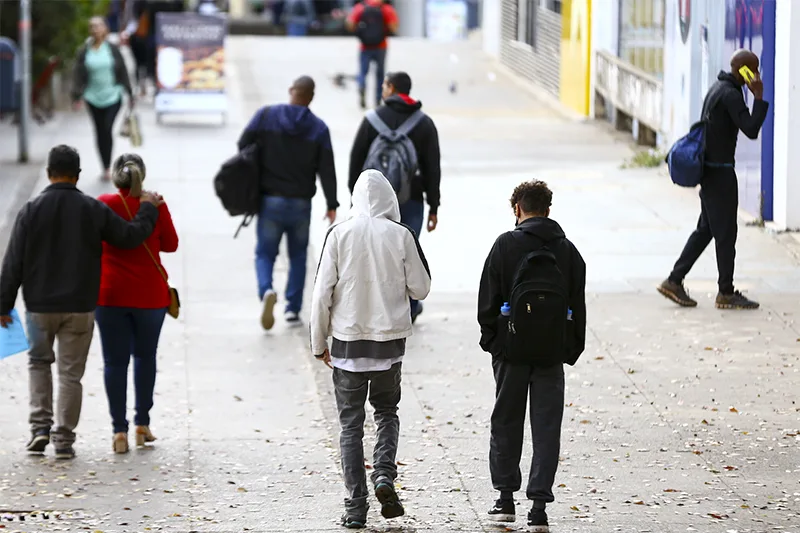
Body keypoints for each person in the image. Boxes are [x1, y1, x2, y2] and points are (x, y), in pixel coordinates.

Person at [0, 145, 163, 461]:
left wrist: (3, 305)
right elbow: (129, 237)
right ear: (77, 175)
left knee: (38, 364)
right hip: (80, 307)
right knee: (70, 375)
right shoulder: (92, 208)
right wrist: (147, 209)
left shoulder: (31, 210)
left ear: (49, 173)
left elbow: (13, 262)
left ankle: (39, 430)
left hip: (39, 308)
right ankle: (64, 440)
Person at [310, 169, 431, 530]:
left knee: (350, 426)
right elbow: (421, 289)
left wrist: (319, 343)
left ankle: (355, 506)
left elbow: (321, 294)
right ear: (390, 199)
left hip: (347, 346)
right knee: (387, 413)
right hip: (388, 347)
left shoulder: (338, 234)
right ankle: (383, 476)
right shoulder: (402, 235)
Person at [477, 180, 586, 533]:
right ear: (548, 210)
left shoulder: (504, 246)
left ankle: (505, 500)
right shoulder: (568, 251)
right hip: (551, 354)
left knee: (506, 421)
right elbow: (578, 307)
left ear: (517, 210)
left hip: (511, 352)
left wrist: (495, 344)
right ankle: (538, 506)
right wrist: (568, 351)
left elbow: (487, 304)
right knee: (546, 426)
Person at [659, 49, 769, 310]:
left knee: (707, 229)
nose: (755, 75)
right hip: (719, 174)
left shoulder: (718, 88)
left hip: (711, 171)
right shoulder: (731, 95)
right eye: (753, 69)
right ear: (743, 69)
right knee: (726, 233)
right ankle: (726, 292)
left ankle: (674, 280)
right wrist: (759, 98)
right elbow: (751, 129)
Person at [237, 76, 339, 330]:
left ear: (291, 90)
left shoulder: (266, 116)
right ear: (311, 97)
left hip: (269, 200)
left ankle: (267, 290)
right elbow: (327, 168)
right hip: (300, 204)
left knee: (265, 252)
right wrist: (332, 203)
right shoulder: (318, 128)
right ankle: (292, 309)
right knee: (298, 256)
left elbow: (242, 145)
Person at [95, 154, 179, 454]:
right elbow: (171, 244)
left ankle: (119, 432)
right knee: (145, 358)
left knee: (114, 363)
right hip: (149, 297)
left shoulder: (104, 203)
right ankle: (142, 424)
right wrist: (156, 210)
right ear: (142, 176)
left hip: (110, 295)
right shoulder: (155, 204)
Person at [349, 71, 440, 323]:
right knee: (408, 254)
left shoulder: (371, 120)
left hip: (372, 203)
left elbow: (355, 160)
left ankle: (378, 309)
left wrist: (353, 198)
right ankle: (409, 308)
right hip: (410, 200)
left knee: (374, 254)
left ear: (390, 88)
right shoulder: (424, 123)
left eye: (383, 85)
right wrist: (434, 205)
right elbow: (433, 167)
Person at [71, 16, 134, 181]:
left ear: (105, 28)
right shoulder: (84, 50)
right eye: (92, 26)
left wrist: (129, 92)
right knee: (99, 131)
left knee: (107, 128)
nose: (95, 29)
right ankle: (105, 166)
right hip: (92, 97)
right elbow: (78, 74)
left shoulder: (112, 49)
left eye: (98, 26)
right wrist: (76, 96)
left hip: (113, 95)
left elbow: (123, 71)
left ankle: (109, 164)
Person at [346, 0, 398, 109]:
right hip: (381, 46)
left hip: (365, 46)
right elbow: (393, 26)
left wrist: (361, 32)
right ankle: (378, 100)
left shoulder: (360, 7)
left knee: (363, 72)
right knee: (380, 74)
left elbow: (350, 24)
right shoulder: (386, 8)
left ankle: (362, 87)